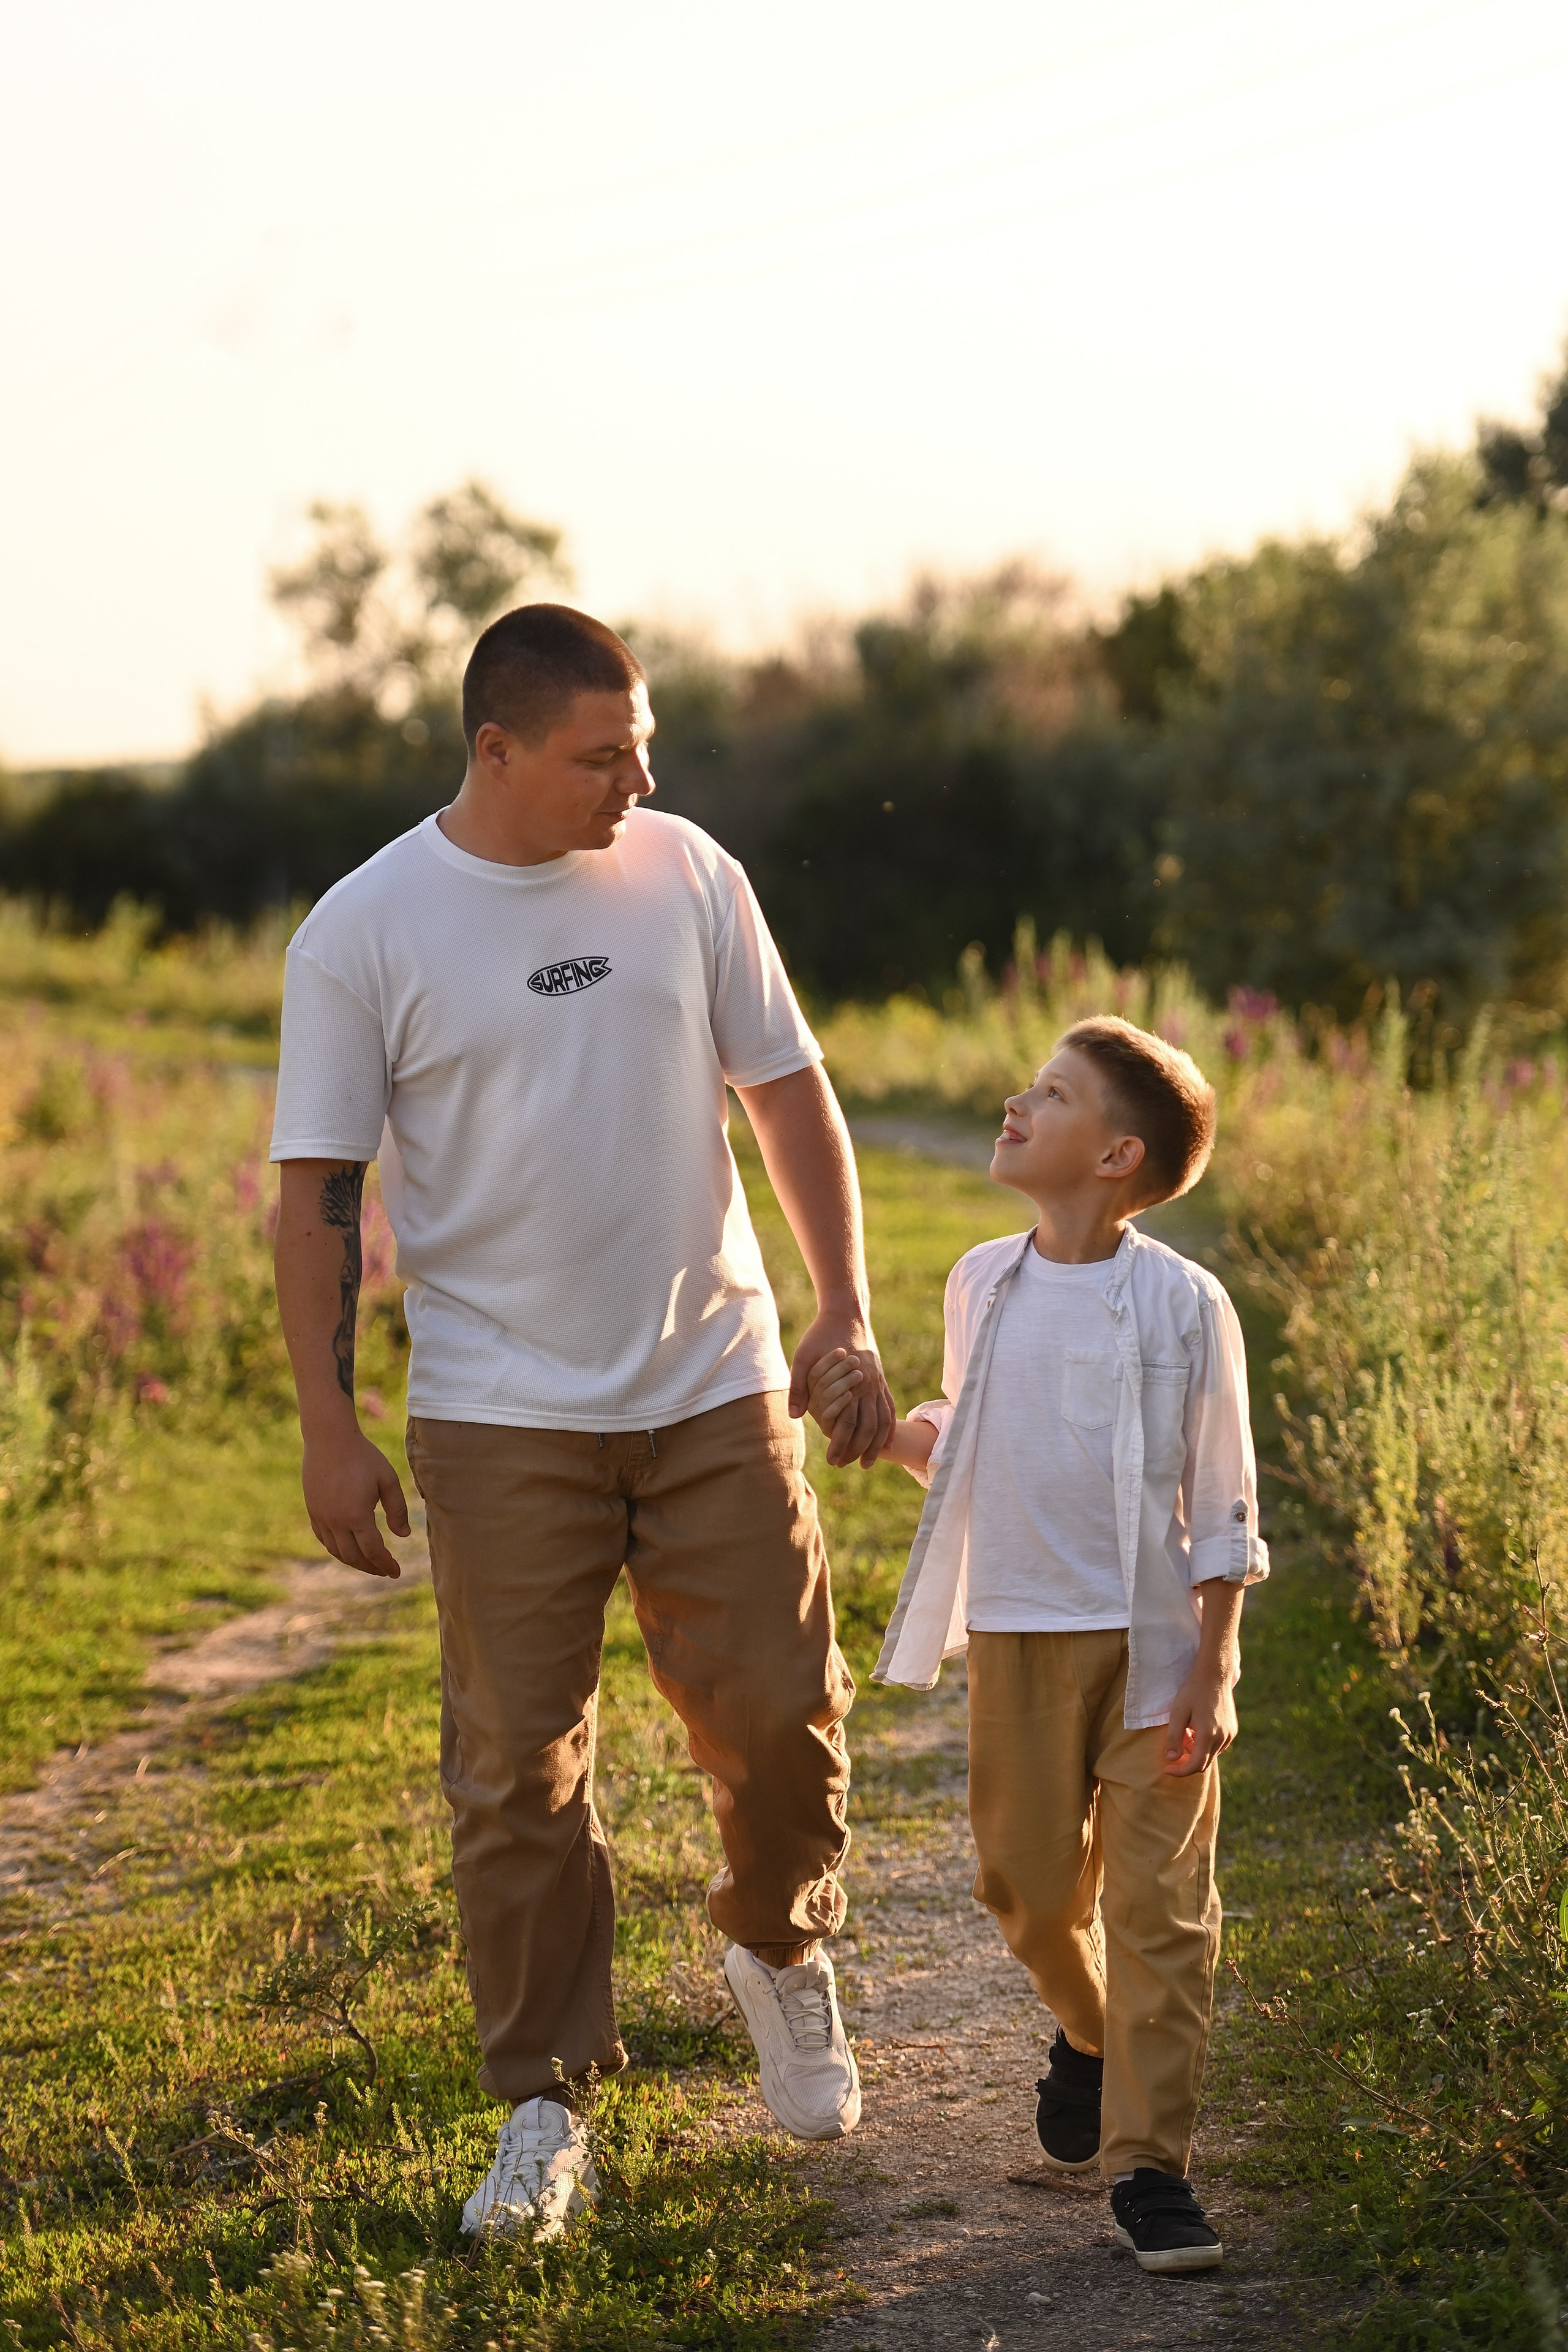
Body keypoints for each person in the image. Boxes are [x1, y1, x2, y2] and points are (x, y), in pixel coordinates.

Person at [271, 603, 894, 2239]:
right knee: (515, 1773)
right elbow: (317, 1190)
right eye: (600, 756)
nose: (639, 779)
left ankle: (775, 1942)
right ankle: (544, 2108)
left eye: (647, 749)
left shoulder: (689, 873)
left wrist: (843, 1305)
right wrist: (329, 1428)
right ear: (495, 751)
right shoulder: (365, 929)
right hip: (498, 1411)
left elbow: (787, 1090)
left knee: (782, 1709)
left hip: (713, 1375)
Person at [805, 1017, 1268, 2277]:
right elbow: (964, 1446)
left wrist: (1211, 1665)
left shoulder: (1182, 1303)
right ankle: (1091, 2034)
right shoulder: (980, 1280)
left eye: (1049, 1095)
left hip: (1154, 1649)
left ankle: (1151, 2171)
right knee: (1019, 1886)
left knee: (1161, 1911)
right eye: (1025, 1085)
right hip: (1014, 1633)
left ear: (1115, 1154)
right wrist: (882, 1428)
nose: (1015, 1102)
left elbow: (1225, 1501)